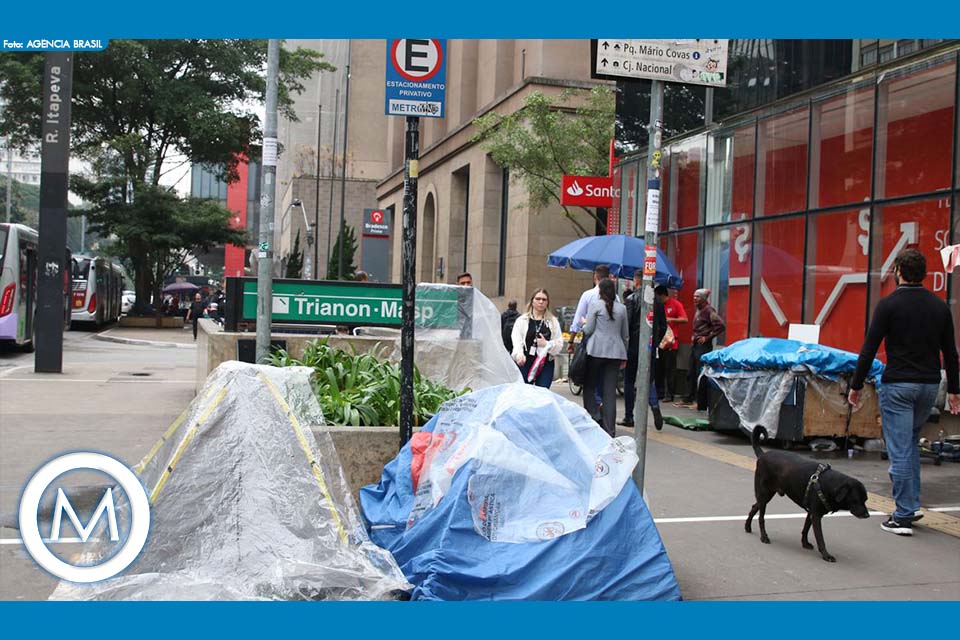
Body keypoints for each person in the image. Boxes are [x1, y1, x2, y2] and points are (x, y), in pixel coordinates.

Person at [848, 249, 960, 536]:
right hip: (928, 386)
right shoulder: (939, 307)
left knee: (899, 449)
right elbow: (951, 353)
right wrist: (955, 391)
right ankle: (911, 503)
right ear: (922, 273)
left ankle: (902, 515)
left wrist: (856, 385)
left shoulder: (888, 305)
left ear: (898, 270)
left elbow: (869, 347)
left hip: (898, 385)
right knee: (909, 443)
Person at [582, 279, 629, 436]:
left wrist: (583, 324)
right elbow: (625, 336)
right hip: (616, 353)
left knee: (589, 385)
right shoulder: (622, 309)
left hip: (596, 351)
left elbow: (588, 330)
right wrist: (624, 354)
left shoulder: (595, 305)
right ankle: (610, 430)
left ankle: (595, 416)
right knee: (609, 392)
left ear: (600, 291)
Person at [569, 265, 620, 407]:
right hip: (612, 345)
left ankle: (596, 403)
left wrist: (571, 341)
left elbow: (578, 320)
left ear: (595, 277)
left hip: (592, 342)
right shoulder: (616, 298)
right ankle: (602, 401)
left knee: (591, 377)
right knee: (605, 378)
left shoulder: (587, 295)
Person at [620, 274, 666, 430]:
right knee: (648, 378)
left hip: (633, 347)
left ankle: (629, 416)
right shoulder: (658, 301)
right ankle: (654, 405)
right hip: (650, 346)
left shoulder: (631, 299)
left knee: (629, 380)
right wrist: (655, 344)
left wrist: (625, 346)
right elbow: (663, 326)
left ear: (637, 281)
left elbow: (626, 325)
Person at [676, 288, 725, 410]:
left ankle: (699, 401)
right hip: (695, 345)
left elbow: (721, 325)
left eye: (697, 297)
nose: (694, 299)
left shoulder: (709, 311)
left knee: (700, 373)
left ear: (703, 299)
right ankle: (688, 398)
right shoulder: (699, 310)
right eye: (694, 296)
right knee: (691, 372)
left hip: (703, 347)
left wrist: (707, 337)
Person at [511, 289, 564, 388]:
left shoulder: (553, 321)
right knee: (525, 392)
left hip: (545, 363)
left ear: (547, 303)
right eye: (538, 299)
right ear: (532, 301)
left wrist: (547, 344)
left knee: (542, 393)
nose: (541, 302)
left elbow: (559, 343)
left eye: (544, 299)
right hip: (525, 361)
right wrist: (519, 355)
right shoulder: (522, 320)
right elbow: (517, 340)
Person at [659, 286, 688, 401]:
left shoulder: (675, 304)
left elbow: (684, 319)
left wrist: (671, 320)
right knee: (659, 368)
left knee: (669, 369)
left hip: (671, 342)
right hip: (659, 342)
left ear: (662, 295)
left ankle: (669, 393)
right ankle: (660, 391)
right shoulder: (657, 306)